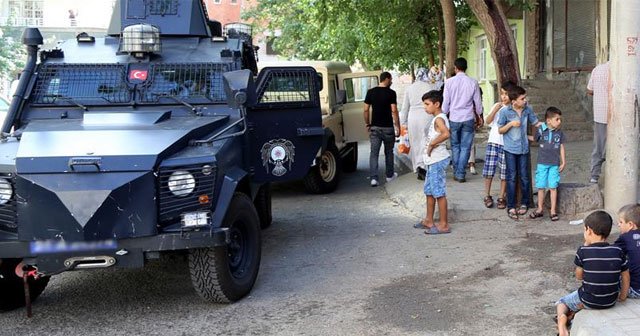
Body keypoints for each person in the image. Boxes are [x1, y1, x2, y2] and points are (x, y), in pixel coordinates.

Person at [555, 210, 629, 336]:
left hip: (588, 300)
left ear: (588, 230)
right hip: (611, 300)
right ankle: (573, 316)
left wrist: (586, 245)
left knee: (562, 302)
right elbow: (626, 277)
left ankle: (562, 322)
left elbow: (579, 276)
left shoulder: (583, 251)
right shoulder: (618, 251)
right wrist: (622, 296)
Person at [497, 85, 541, 220]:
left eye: (525, 98)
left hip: (524, 149)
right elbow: (500, 130)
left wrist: (548, 126)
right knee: (511, 177)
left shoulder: (528, 110)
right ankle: (510, 206)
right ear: (514, 101)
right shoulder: (505, 112)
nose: (525, 100)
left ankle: (524, 203)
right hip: (510, 149)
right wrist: (511, 124)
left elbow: (536, 123)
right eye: (522, 98)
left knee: (524, 177)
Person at [412, 90, 451, 234]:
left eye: (427, 104)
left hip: (437, 160)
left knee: (439, 192)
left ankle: (444, 224)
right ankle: (429, 220)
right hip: (431, 161)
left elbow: (446, 134)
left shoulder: (439, 119)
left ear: (437, 104)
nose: (425, 107)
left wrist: (431, 145)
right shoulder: (437, 118)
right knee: (429, 191)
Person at [442, 57, 483, 183]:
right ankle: (460, 173)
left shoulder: (449, 82)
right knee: (466, 146)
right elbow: (478, 102)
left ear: (455, 68)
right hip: (468, 118)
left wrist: (443, 116)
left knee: (455, 146)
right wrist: (480, 115)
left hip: (454, 118)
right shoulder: (473, 82)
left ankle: (457, 171)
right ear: (466, 68)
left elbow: (446, 103)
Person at [400, 67, 440, 180]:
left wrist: (403, 122)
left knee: (415, 142)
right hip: (426, 115)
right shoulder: (430, 87)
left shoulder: (410, 88)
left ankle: (418, 166)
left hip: (413, 117)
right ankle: (425, 166)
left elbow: (404, 107)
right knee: (426, 141)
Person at [529, 107, 566, 221]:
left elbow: (561, 147)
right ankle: (540, 209)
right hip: (542, 164)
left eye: (560, 119)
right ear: (549, 120)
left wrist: (563, 162)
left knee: (553, 187)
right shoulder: (541, 130)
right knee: (541, 187)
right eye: (557, 119)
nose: (559, 122)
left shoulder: (559, 133)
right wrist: (524, 136)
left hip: (554, 164)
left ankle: (553, 211)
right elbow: (534, 139)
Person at [364, 72, 400, 187]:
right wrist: (397, 126)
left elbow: (365, 110)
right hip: (388, 128)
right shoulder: (391, 93)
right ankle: (389, 176)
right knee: (389, 152)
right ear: (387, 79)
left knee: (374, 153)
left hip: (375, 128)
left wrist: (368, 123)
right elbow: (394, 110)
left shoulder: (371, 92)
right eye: (391, 79)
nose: (392, 81)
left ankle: (374, 179)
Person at [482, 82, 514, 209]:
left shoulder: (513, 108)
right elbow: (488, 121)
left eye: (506, 94)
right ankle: (487, 195)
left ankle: (501, 196)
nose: (504, 97)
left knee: (504, 172)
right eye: (502, 94)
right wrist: (495, 110)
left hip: (506, 144)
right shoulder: (497, 106)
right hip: (493, 141)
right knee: (489, 170)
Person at [587, 61, 609, 184]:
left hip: (601, 115)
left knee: (599, 147)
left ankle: (594, 177)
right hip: (620, 116)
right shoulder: (625, 68)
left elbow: (589, 90)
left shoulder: (598, 69)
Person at [614, 204, 640, 299]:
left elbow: (613, 253)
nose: (618, 225)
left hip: (636, 289)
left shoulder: (625, 238)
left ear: (630, 225)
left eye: (621, 222)